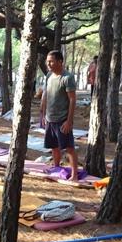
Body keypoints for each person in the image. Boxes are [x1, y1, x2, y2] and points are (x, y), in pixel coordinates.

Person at [40, 50, 78, 182]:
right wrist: (43, 114)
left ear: (60, 61)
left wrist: (69, 121)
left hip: (62, 119)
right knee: (54, 146)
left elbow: (72, 99)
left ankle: (74, 175)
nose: (48, 64)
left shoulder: (67, 77)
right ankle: (56, 168)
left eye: (51, 61)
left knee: (69, 148)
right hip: (50, 118)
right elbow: (46, 94)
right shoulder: (49, 75)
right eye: (47, 61)